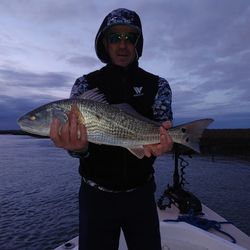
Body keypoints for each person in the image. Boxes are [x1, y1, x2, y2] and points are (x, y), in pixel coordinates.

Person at [50, 8, 173, 250]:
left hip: (141, 195)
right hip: (95, 197)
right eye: (115, 37)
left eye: (130, 37)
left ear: (138, 43)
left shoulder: (158, 85)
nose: (123, 45)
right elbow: (77, 146)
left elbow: (162, 129)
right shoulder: (85, 85)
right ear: (104, 43)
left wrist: (165, 144)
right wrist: (78, 148)